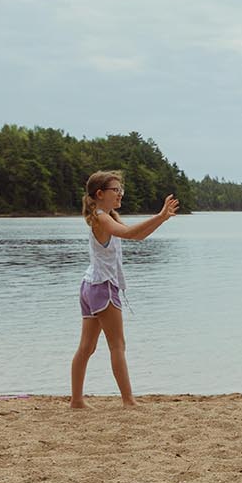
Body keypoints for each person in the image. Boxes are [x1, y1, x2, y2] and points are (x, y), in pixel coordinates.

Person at [69, 170, 178, 408]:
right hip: (103, 287)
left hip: (90, 285)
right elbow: (130, 233)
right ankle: (128, 400)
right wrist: (159, 215)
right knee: (117, 345)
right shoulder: (102, 218)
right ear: (100, 194)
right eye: (115, 190)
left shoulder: (106, 217)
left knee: (87, 347)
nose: (120, 194)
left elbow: (136, 236)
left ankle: (76, 400)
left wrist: (161, 219)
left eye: (121, 190)